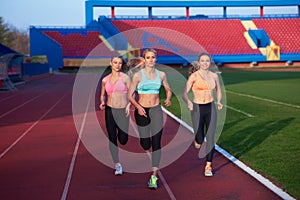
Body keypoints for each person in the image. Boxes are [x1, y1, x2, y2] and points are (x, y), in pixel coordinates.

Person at [128, 48, 172, 189]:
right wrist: (138, 107)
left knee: (156, 143)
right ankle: (144, 141)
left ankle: (154, 176)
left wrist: (168, 98)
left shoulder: (162, 75)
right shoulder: (138, 76)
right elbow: (129, 95)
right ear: (145, 59)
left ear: (156, 59)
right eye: (148, 57)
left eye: (153, 57)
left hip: (156, 109)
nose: (151, 60)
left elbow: (168, 89)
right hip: (142, 111)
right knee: (146, 144)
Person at [182, 52, 223, 177]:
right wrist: (188, 102)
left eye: (207, 61)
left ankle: (208, 165)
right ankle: (197, 139)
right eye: (202, 61)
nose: (205, 63)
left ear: (210, 62)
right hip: (197, 108)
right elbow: (184, 93)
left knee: (210, 137)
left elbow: (219, 90)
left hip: (210, 107)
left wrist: (219, 101)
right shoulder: (194, 76)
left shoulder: (214, 76)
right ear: (199, 63)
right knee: (200, 137)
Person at [99, 56, 131, 175]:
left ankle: (123, 138)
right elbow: (102, 95)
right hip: (110, 111)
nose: (117, 65)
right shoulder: (104, 80)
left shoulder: (126, 78)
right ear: (111, 63)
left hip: (122, 111)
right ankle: (117, 164)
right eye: (115, 63)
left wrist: (128, 105)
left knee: (123, 140)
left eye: (119, 63)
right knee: (112, 139)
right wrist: (102, 102)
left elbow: (132, 93)